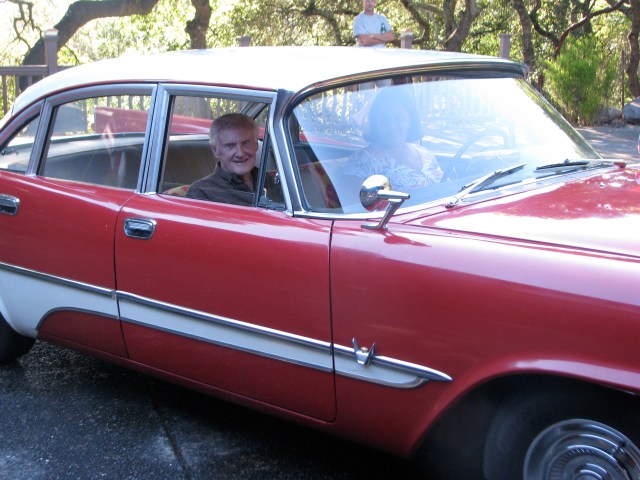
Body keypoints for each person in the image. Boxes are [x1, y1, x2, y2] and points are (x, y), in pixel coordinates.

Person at [345, 88, 442, 191]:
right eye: (385, 119)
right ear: (376, 123)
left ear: (410, 120)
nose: (392, 125)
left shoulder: (425, 153)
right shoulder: (363, 160)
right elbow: (351, 198)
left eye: (399, 118)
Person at [187, 113, 259, 206]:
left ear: (256, 145)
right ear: (215, 150)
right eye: (230, 146)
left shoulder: (271, 180)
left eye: (246, 143)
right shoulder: (202, 193)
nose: (240, 153)